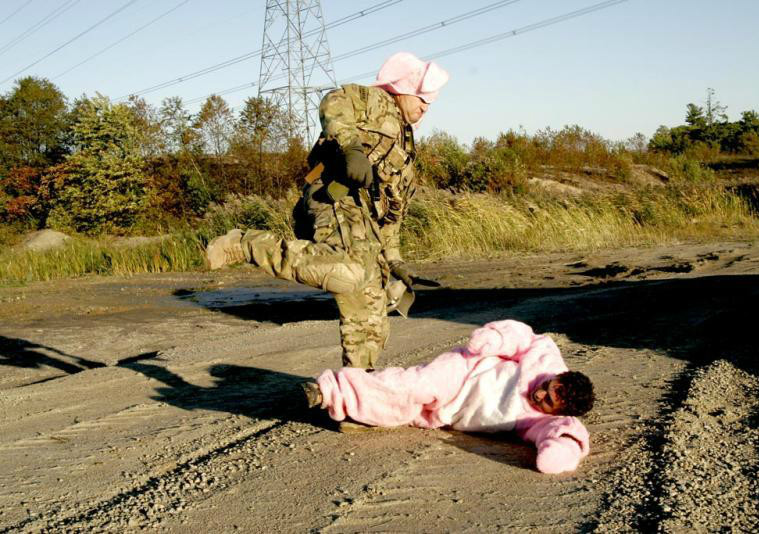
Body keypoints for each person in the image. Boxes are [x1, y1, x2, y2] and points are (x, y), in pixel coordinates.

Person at [206, 52, 450, 370]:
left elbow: (393, 213)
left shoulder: (405, 148)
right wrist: (351, 148)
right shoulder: (377, 102)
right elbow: (333, 102)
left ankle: (356, 390)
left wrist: (395, 261)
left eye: (430, 101)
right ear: (402, 89)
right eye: (421, 98)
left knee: (372, 305)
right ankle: (247, 244)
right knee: (351, 274)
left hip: (364, 221)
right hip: (334, 198)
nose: (426, 106)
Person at [302, 319, 595, 474]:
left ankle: (363, 387)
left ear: (556, 411)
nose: (540, 392)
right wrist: (495, 339)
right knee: (414, 386)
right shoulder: (547, 361)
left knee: (401, 413)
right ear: (559, 376)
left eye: (547, 400)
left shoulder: (540, 422)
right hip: (464, 371)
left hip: (450, 415)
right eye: (548, 386)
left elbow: (567, 433)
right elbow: (525, 336)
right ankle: (329, 391)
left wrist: (562, 450)